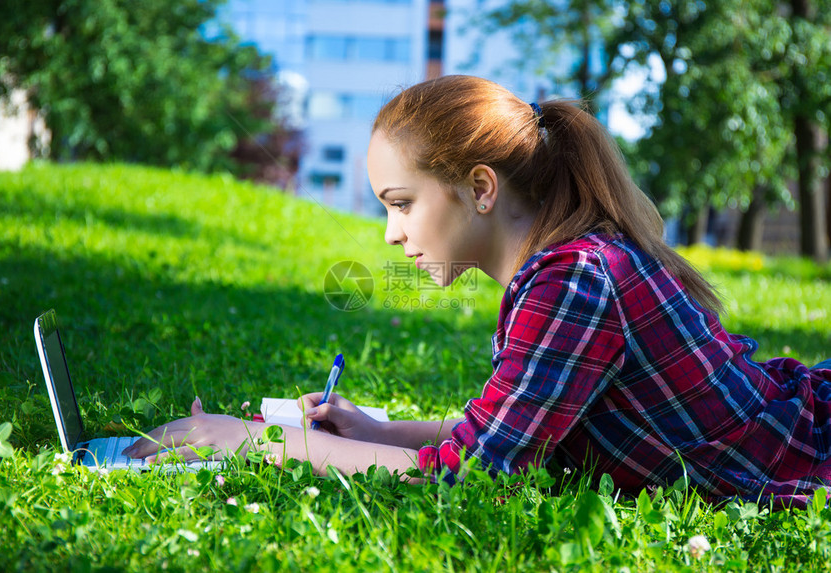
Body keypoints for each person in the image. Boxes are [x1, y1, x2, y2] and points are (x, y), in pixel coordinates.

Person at [125, 75, 831, 505]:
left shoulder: (572, 281)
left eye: (400, 202)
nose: (389, 233)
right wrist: (379, 431)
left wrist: (257, 440)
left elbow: (470, 476)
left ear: (480, 189)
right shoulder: (558, 272)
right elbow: (521, 435)